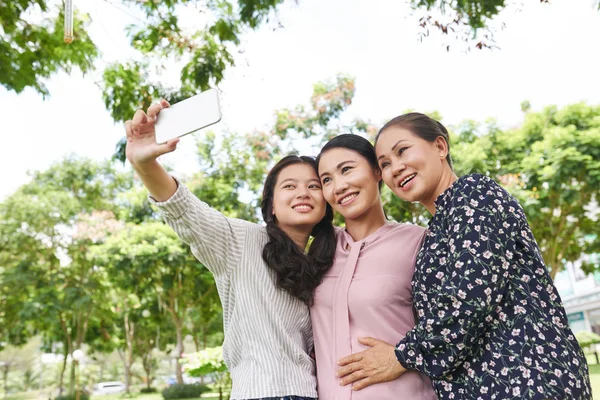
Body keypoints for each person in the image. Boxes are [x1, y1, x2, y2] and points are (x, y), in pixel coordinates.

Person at [337, 112, 592, 399]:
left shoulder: (474, 195)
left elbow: (468, 297)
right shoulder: (434, 231)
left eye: (402, 151)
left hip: (527, 380)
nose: (395, 168)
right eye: (385, 164)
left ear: (440, 147)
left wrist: (401, 356)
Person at [124, 99, 336, 400]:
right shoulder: (241, 241)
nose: (303, 192)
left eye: (314, 186)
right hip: (259, 393)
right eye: (289, 186)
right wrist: (145, 164)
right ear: (271, 205)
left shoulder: (327, 262)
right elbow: (185, 210)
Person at [310, 134, 437, 399]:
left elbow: (451, 323)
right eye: (327, 180)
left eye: (346, 169)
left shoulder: (419, 242)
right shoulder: (320, 249)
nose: (339, 186)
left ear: (377, 171)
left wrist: (400, 357)